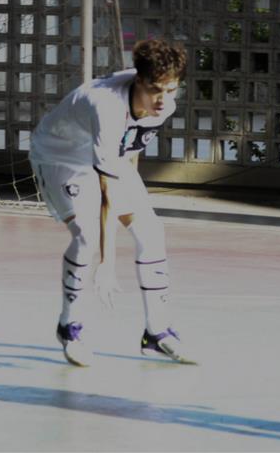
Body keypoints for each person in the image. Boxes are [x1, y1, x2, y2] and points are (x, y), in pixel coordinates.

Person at [30, 39, 192, 367]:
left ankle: (156, 333)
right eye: (155, 90)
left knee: (151, 232)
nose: (163, 99)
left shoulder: (164, 105)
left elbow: (130, 149)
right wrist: (107, 263)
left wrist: (134, 193)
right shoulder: (106, 108)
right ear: (138, 80)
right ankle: (69, 327)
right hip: (60, 156)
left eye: (171, 89)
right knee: (87, 238)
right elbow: (107, 195)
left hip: (105, 154)